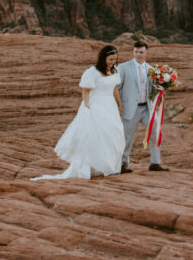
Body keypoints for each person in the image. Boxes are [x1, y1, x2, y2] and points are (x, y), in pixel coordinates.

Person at [33, 45, 124, 180]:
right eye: (110, 59)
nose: (112, 62)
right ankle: (97, 166)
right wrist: (87, 105)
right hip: (97, 105)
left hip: (110, 105)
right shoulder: (93, 72)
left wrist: (119, 104)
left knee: (114, 134)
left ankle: (110, 166)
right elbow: (85, 90)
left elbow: (114, 88)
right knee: (97, 135)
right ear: (103, 58)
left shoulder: (115, 70)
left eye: (114, 60)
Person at [116, 41, 168, 172]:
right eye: (136, 52)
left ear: (146, 53)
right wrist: (118, 105)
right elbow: (116, 87)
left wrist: (162, 88)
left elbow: (154, 88)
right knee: (127, 137)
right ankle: (123, 164)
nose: (138, 54)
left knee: (156, 133)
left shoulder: (152, 69)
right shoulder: (123, 67)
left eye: (141, 52)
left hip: (147, 108)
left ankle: (155, 163)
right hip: (129, 108)